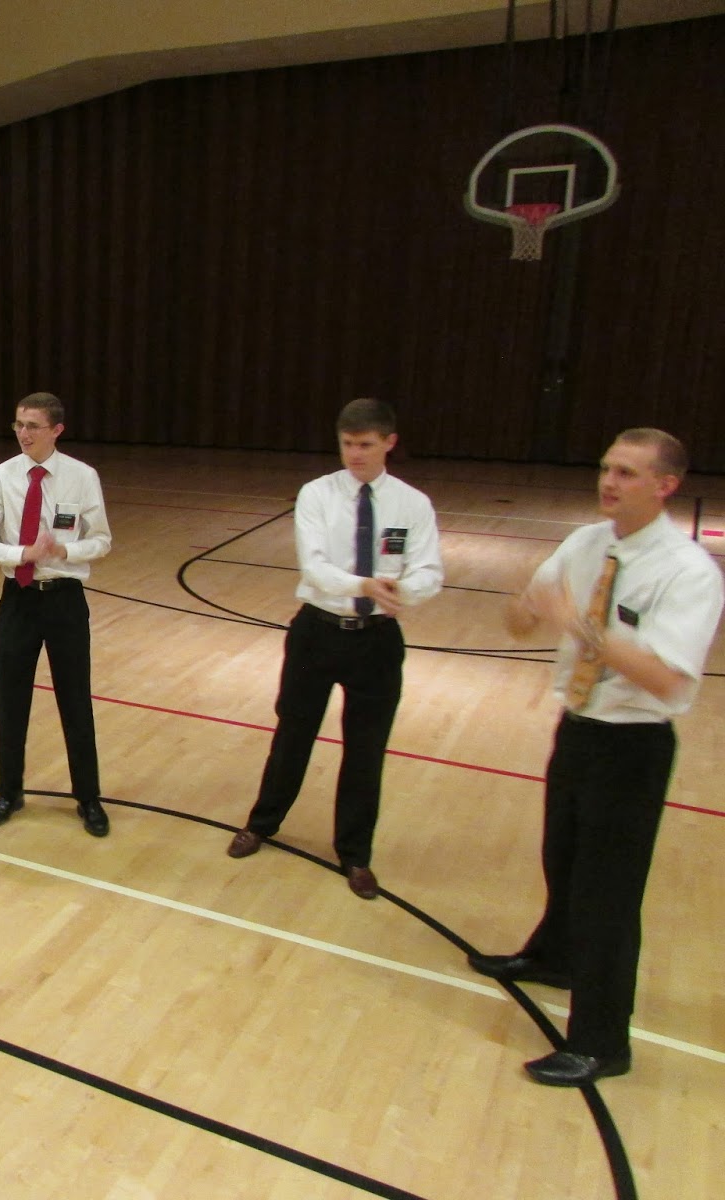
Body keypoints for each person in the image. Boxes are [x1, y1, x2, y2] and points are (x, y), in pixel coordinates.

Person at [467, 428, 721, 1087]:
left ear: (666, 485)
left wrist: (578, 623)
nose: (608, 481)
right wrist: (524, 608)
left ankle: (602, 1042)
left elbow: (669, 680)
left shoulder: (689, 572)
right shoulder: (585, 544)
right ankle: (555, 957)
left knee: (608, 896)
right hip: (577, 729)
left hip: (633, 746)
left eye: (627, 473)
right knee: (562, 859)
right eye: (607, 467)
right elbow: (523, 619)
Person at [227, 398, 443, 898]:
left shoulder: (413, 504)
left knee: (366, 749)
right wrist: (365, 584)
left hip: (377, 640)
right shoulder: (317, 494)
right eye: (347, 444)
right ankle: (262, 824)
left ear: (389, 442)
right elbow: (315, 567)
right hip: (317, 632)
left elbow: (430, 570)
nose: (355, 454)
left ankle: (355, 854)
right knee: (292, 733)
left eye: (365, 444)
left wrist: (401, 590)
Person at [0, 391, 113, 837]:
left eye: (33, 426)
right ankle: (9, 792)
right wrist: (23, 554)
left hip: (65, 599)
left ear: (57, 430)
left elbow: (102, 540)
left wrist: (65, 551)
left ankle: (88, 798)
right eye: (18, 424)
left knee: (75, 699)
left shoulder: (81, 477)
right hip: (18, 598)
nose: (23, 434)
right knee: (10, 698)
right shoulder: (2, 477)